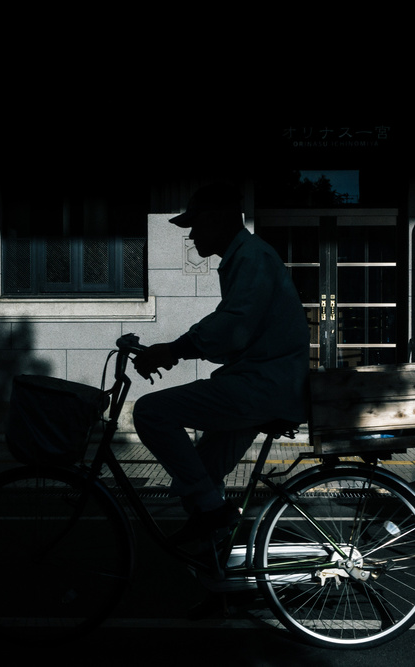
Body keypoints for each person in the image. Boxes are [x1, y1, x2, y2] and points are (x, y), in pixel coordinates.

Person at [131, 183, 310, 547]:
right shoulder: (244, 257)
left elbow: (234, 326)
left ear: (220, 219)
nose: (193, 233)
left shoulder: (252, 257)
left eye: (196, 223)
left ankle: (215, 517)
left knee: (151, 411)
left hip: (263, 386)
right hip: (262, 382)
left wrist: (174, 350)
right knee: (202, 474)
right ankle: (217, 556)